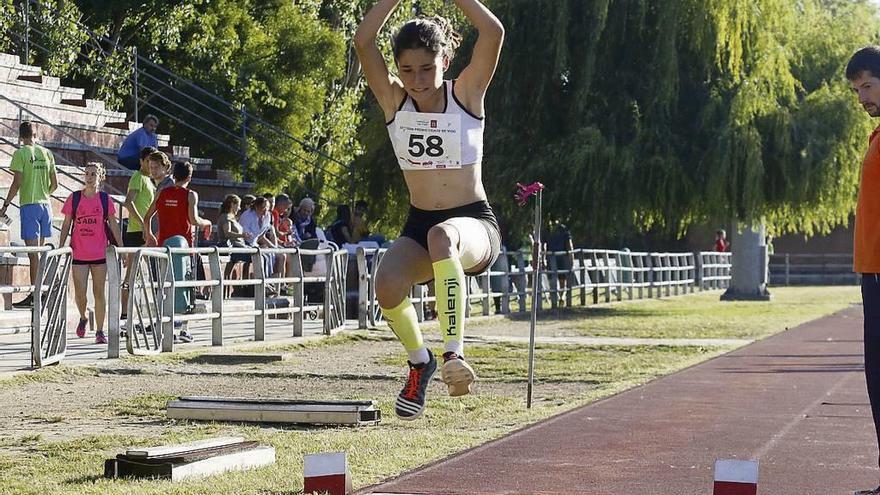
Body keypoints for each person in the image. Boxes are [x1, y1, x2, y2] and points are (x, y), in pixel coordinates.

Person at [354, 0, 504, 420]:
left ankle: (454, 352)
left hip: (473, 222)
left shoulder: (467, 92)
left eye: (427, 69)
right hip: (421, 222)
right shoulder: (394, 102)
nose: (417, 80)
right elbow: (363, 41)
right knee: (386, 284)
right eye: (406, 70)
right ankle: (421, 363)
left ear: (446, 61)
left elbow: (493, 33)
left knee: (444, 237)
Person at [847, 46, 880, 495]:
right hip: (871, 273)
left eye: (868, 86)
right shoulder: (877, 136)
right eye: (856, 91)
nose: (861, 97)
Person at [142, 161, 212, 343]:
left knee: (165, 286)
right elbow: (194, 220)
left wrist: (149, 235)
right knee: (186, 286)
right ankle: (183, 330)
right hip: (183, 249)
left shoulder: (162, 193)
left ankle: (166, 327)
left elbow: (147, 217)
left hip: (164, 246)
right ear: (189, 177)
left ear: (173, 174)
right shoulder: (190, 195)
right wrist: (208, 223)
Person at [58, 163, 123, 344]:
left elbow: (114, 225)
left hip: (100, 253)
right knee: (80, 294)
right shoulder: (74, 198)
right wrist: (61, 247)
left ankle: (100, 331)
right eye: (87, 173)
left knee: (99, 292)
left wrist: (122, 247)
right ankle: (83, 317)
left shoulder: (104, 199)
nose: (89, 177)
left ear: (100, 177)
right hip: (79, 253)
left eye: (93, 174)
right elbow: (66, 224)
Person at [0, 121, 58, 308]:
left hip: (29, 206)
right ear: (36, 135)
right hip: (46, 206)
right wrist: (44, 194)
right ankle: (39, 292)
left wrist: (5, 204)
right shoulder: (47, 153)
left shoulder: (21, 153)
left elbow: (17, 182)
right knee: (39, 254)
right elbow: (54, 184)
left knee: (34, 255)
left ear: (20, 136)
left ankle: (36, 295)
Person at [120, 146, 157, 318]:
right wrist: (144, 225)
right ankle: (124, 314)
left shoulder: (150, 180)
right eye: (148, 160)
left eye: (154, 161)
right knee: (131, 275)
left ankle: (141, 314)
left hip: (145, 231)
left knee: (143, 276)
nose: (151, 164)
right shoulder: (138, 177)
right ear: (141, 161)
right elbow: (128, 202)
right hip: (137, 231)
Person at [216, 194, 253, 295]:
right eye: (238, 205)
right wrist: (242, 235)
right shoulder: (226, 217)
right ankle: (248, 287)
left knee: (256, 252)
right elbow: (227, 232)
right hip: (232, 246)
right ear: (232, 204)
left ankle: (245, 286)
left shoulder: (232, 217)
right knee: (254, 256)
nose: (240, 208)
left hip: (238, 245)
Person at [546, 221, 574, 306]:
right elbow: (569, 245)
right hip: (562, 257)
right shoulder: (564, 229)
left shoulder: (548, 229)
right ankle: (561, 296)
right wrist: (571, 257)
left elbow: (544, 244)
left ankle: (556, 298)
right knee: (562, 279)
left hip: (551, 256)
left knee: (552, 279)